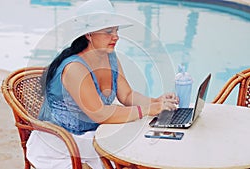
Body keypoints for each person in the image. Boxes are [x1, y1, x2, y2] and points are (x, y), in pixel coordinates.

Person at [26, 0, 179, 168]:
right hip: (63, 144)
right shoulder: (74, 68)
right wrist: (148, 110)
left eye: (116, 30)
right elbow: (99, 113)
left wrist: (156, 101)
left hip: (94, 137)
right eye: (108, 31)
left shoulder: (110, 57)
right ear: (89, 34)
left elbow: (127, 95)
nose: (116, 36)